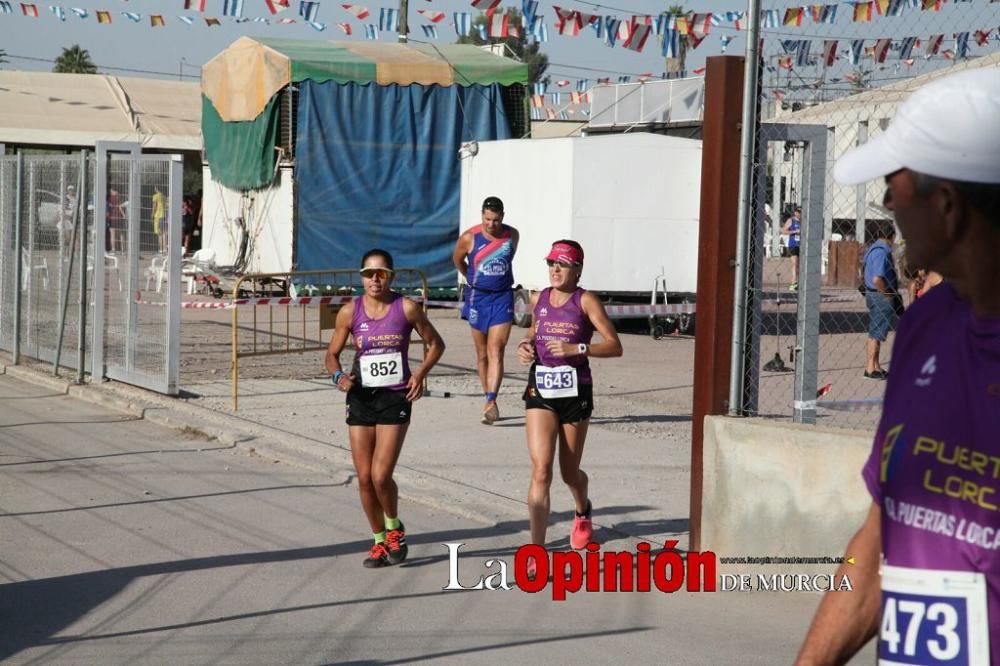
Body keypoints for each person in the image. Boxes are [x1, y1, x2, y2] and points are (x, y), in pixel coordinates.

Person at [796, 68, 1000, 665]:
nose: (885, 202)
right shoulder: (925, 325)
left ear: (947, 206)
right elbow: (880, 537)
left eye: (894, 184)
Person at [324, 249, 445, 568]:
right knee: (364, 478)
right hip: (361, 396)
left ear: (391, 276)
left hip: (395, 396)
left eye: (381, 273)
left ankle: (394, 527)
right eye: (368, 273)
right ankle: (379, 540)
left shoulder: (406, 307)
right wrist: (338, 376)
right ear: (361, 276)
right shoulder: (350, 312)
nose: (374, 279)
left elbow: (437, 344)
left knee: (380, 475)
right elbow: (331, 354)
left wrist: (420, 373)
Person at [516, 240, 622, 577]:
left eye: (562, 264)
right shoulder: (540, 298)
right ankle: (536, 551)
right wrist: (527, 346)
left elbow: (615, 346)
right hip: (542, 387)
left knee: (568, 473)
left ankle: (582, 509)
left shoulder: (586, 300)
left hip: (575, 390)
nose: (555, 269)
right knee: (541, 470)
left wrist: (577, 347)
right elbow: (534, 333)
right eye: (551, 263)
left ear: (578, 269)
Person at [452, 196, 519, 425]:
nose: (491, 224)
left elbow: (508, 261)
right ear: (482, 215)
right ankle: (486, 396)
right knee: (482, 353)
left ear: (503, 216)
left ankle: (492, 400)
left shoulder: (512, 235)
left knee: (496, 350)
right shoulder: (470, 237)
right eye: (487, 219)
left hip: (502, 298)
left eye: (496, 220)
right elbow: (458, 260)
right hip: (477, 297)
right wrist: (472, 277)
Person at [861, 220, 900, 380]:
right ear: (892, 236)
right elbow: (878, 278)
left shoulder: (872, 248)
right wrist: (888, 294)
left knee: (877, 330)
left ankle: (875, 365)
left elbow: (863, 271)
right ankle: (870, 368)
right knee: (876, 333)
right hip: (879, 295)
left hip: (872, 293)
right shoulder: (882, 252)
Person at [782, 206, 802, 291]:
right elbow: (784, 231)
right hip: (793, 244)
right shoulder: (791, 220)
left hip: (801, 244)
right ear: (795, 212)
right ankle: (793, 283)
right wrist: (794, 231)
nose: (799, 214)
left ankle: (797, 281)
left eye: (801, 212)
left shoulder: (803, 221)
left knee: (799, 265)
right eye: (798, 212)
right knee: (794, 264)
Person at [152, 186, 167, 255]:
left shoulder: (155, 196)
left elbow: (154, 206)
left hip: (158, 216)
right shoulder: (164, 196)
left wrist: (152, 214)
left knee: (159, 234)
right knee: (164, 233)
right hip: (164, 215)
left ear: (156, 188)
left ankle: (161, 250)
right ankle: (165, 249)